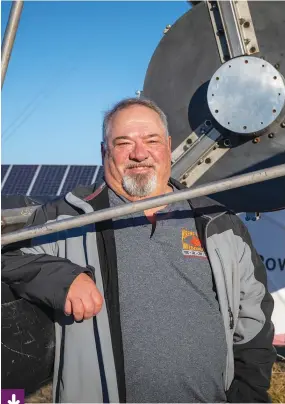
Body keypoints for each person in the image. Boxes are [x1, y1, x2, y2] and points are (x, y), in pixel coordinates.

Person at [2, 97, 276, 403]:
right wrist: (58, 277)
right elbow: (7, 257)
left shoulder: (218, 223)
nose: (139, 153)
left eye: (151, 140)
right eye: (123, 142)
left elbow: (253, 324)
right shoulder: (67, 218)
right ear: (104, 151)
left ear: (168, 146)